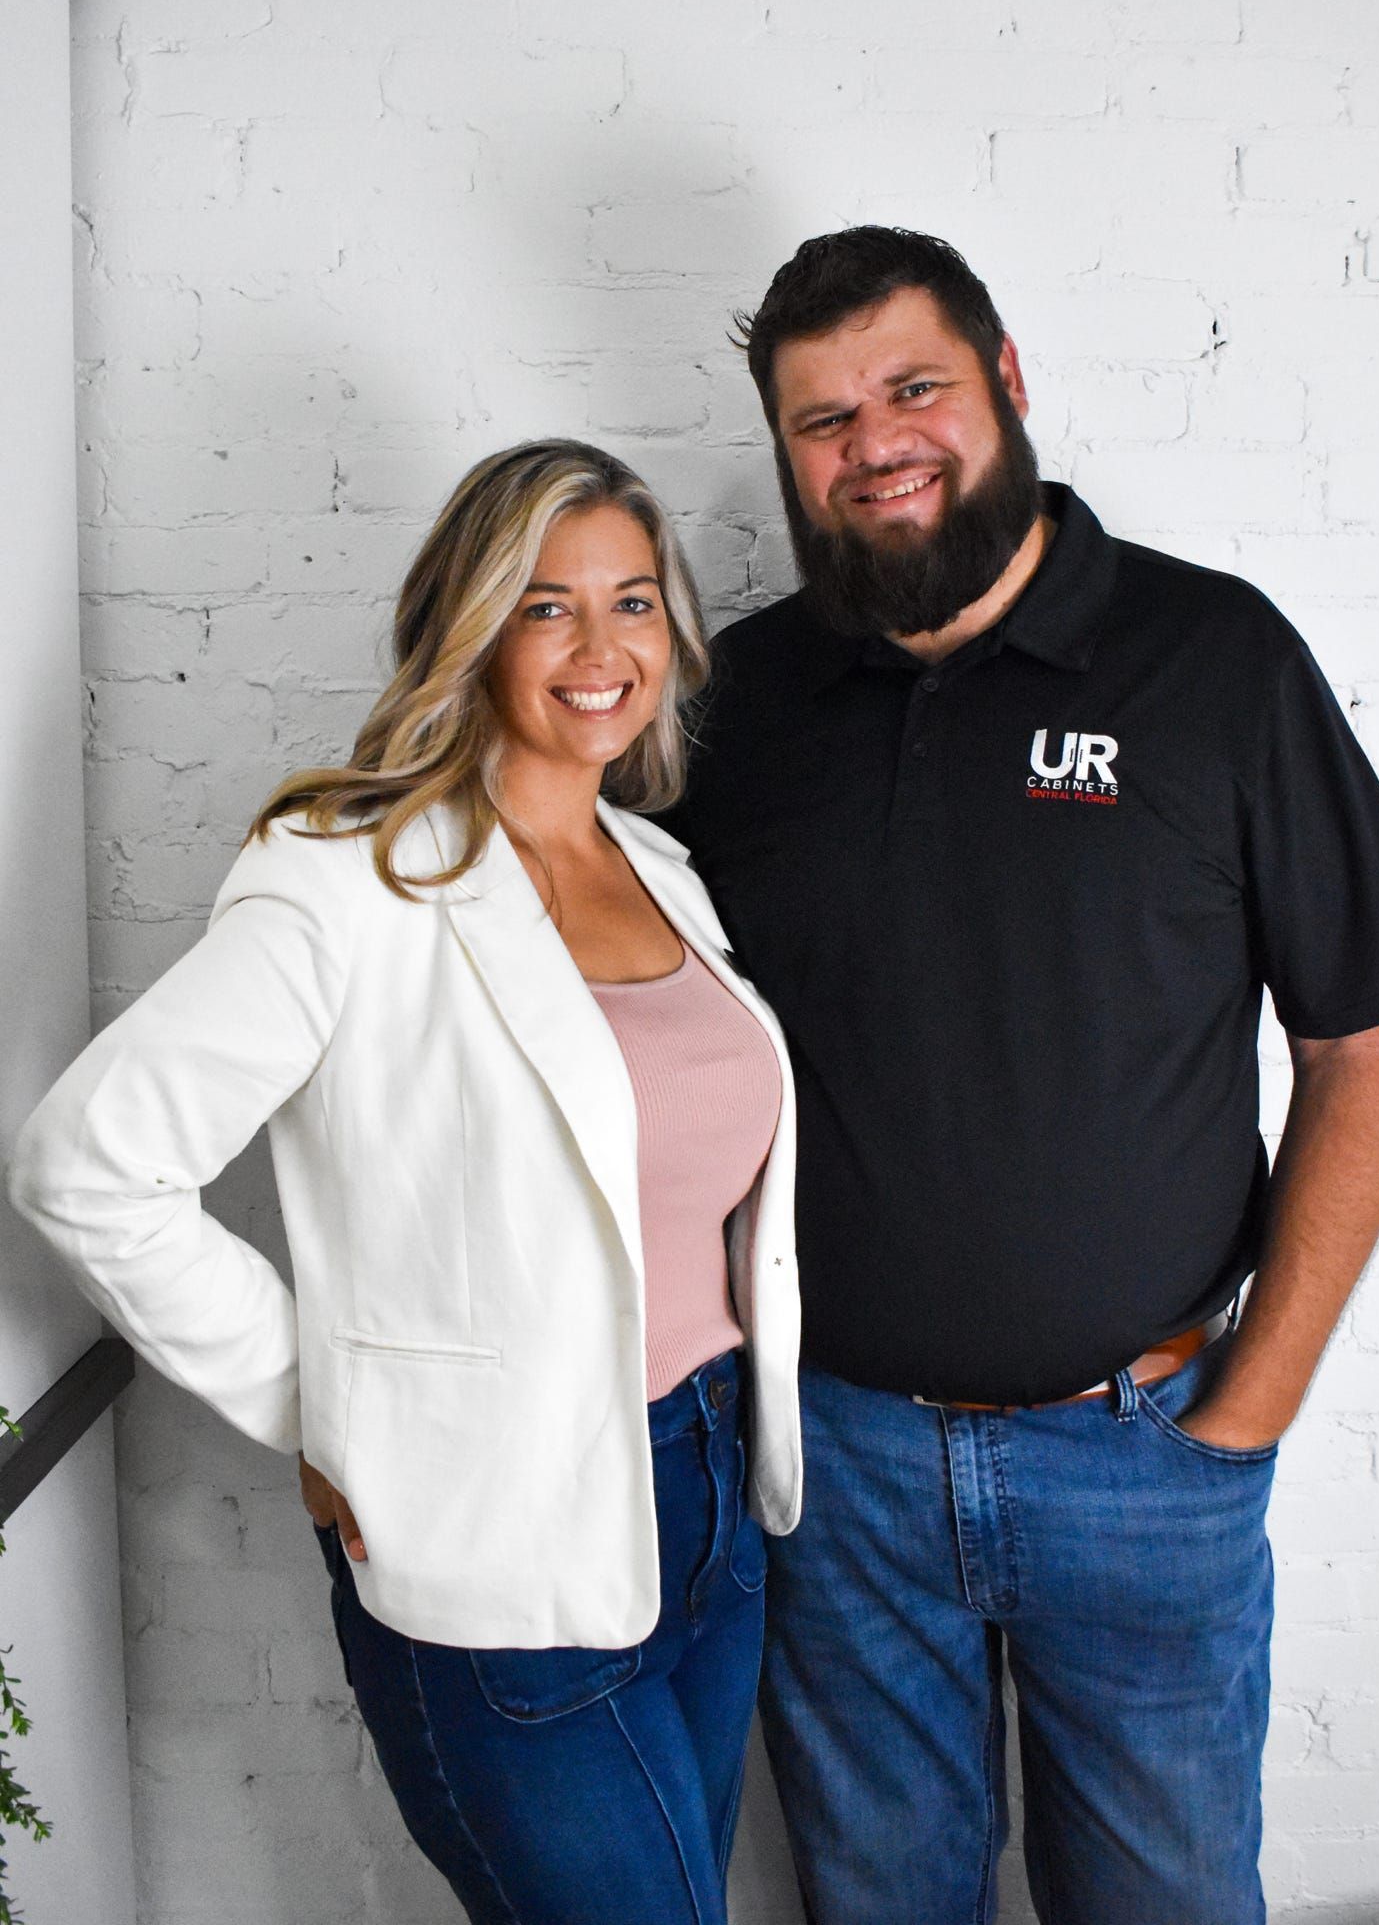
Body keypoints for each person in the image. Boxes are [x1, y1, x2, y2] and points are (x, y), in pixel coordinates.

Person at [662, 228, 1379, 1925]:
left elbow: (1358, 1047)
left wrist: (1248, 1410)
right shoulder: (736, 706)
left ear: (1006, 382)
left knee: (1166, 1902)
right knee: (880, 1904)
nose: (873, 441)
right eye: (820, 419)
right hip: (839, 1472)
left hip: (1145, 1447)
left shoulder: (1212, 659)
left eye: (911, 387)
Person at [7, 439, 802, 1925]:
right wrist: (315, 1403)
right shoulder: (347, 876)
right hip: (492, 1508)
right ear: (470, 624)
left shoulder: (661, 870)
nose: (600, 646)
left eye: (633, 601)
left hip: (704, 1488)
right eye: (545, 605)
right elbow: (91, 1163)